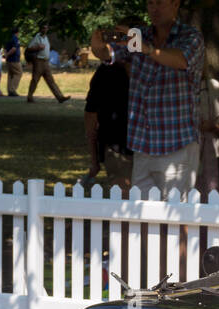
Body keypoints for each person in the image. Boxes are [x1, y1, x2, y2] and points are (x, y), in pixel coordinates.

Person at [90, 0, 204, 198]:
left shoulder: (191, 36)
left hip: (177, 144)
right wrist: (97, 46)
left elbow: (181, 60)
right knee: (141, 217)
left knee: (176, 217)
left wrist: (148, 49)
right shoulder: (140, 35)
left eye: (160, 2)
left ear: (175, 4)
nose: (155, 8)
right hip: (143, 145)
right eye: (151, 3)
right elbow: (108, 54)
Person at [84, 55, 132, 189]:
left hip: (152, 150)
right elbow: (90, 116)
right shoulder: (105, 72)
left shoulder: (153, 67)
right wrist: (94, 160)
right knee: (123, 198)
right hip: (118, 148)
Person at [196, 65, 219, 194]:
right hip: (185, 149)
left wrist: (212, 126)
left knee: (210, 190)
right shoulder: (178, 85)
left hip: (208, 149)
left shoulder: (212, 86)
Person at [26, 22, 69, 103]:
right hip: (38, 61)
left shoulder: (46, 38)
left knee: (51, 81)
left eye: (46, 28)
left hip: (46, 62)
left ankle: (60, 97)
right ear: (40, 29)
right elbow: (29, 48)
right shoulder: (37, 37)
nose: (45, 30)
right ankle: (29, 96)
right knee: (35, 80)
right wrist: (38, 47)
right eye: (43, 28)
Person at [3, 29, 22, 97]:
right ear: (17, 32)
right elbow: (14, 49)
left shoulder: (7, 39)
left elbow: (5, 49)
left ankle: (9, 90)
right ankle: (12, 90)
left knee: (11, 75)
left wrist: (6, 56)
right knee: (18, 73)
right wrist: (8, 54)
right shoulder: (15, 38)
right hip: (15, 60)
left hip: (9, 60)